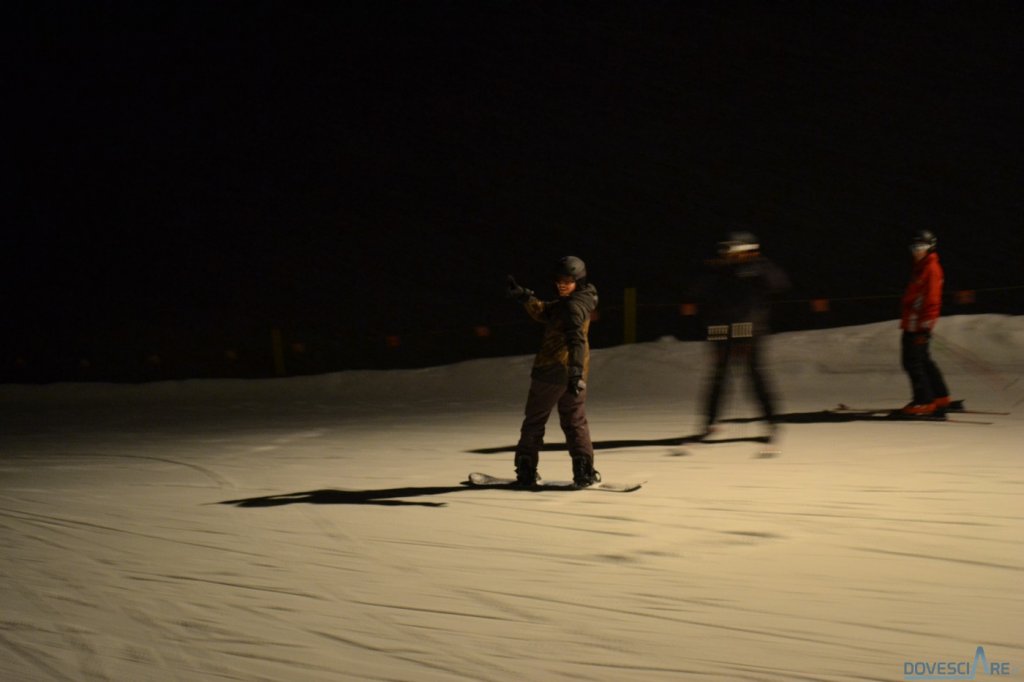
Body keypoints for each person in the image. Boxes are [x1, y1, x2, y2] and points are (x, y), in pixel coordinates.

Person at [505, 256, 601, 487]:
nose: (561, 284)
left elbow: (576, 339)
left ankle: (526, 469)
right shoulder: (578, 300)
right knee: (575, 421)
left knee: (535, 421)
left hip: (552, 370)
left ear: (578, 279)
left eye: (567, 280)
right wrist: (526, 297)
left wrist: (575, 370)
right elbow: (546, 311)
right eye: (558, 280)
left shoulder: (571, 306)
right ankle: (583, 471)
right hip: (572, 374)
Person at [690, 232, 790, 442]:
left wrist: (758, 262)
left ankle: (771, 421)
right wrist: (715, 268)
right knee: (719, 376)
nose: (730, 253)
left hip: (749, 329)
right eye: (729, 250)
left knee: (754, 374)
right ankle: (711, 422)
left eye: (734, 249)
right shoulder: (720, 270)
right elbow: (699, 290)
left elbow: (780, 283)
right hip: (721, 329)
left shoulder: (758, 268)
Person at [898, 229, 951, 416]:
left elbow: (932, 300)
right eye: (914, 247)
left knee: (913, 362)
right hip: (913, 324)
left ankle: (924, 401)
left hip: (918, 326)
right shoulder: (921, 267)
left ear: (930, 247)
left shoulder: (931, 268)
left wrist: (925, 326)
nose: (917, 251)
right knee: (923, 361)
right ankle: (940, 397)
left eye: (921, 247)